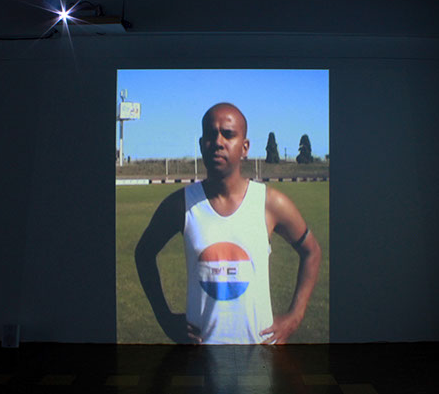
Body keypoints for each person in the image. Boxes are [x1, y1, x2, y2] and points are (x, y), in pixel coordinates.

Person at [135, 103, 321, 344]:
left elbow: (311, 251)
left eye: (228, 134)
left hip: (259, 352)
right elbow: (144, 253)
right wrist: (164, 317)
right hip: (200, 356)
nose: (218, 142)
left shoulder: (270, 203)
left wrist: (295, 316)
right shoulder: (181, 204)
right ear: (201, 144)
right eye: (211, 135)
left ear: (245, 147)